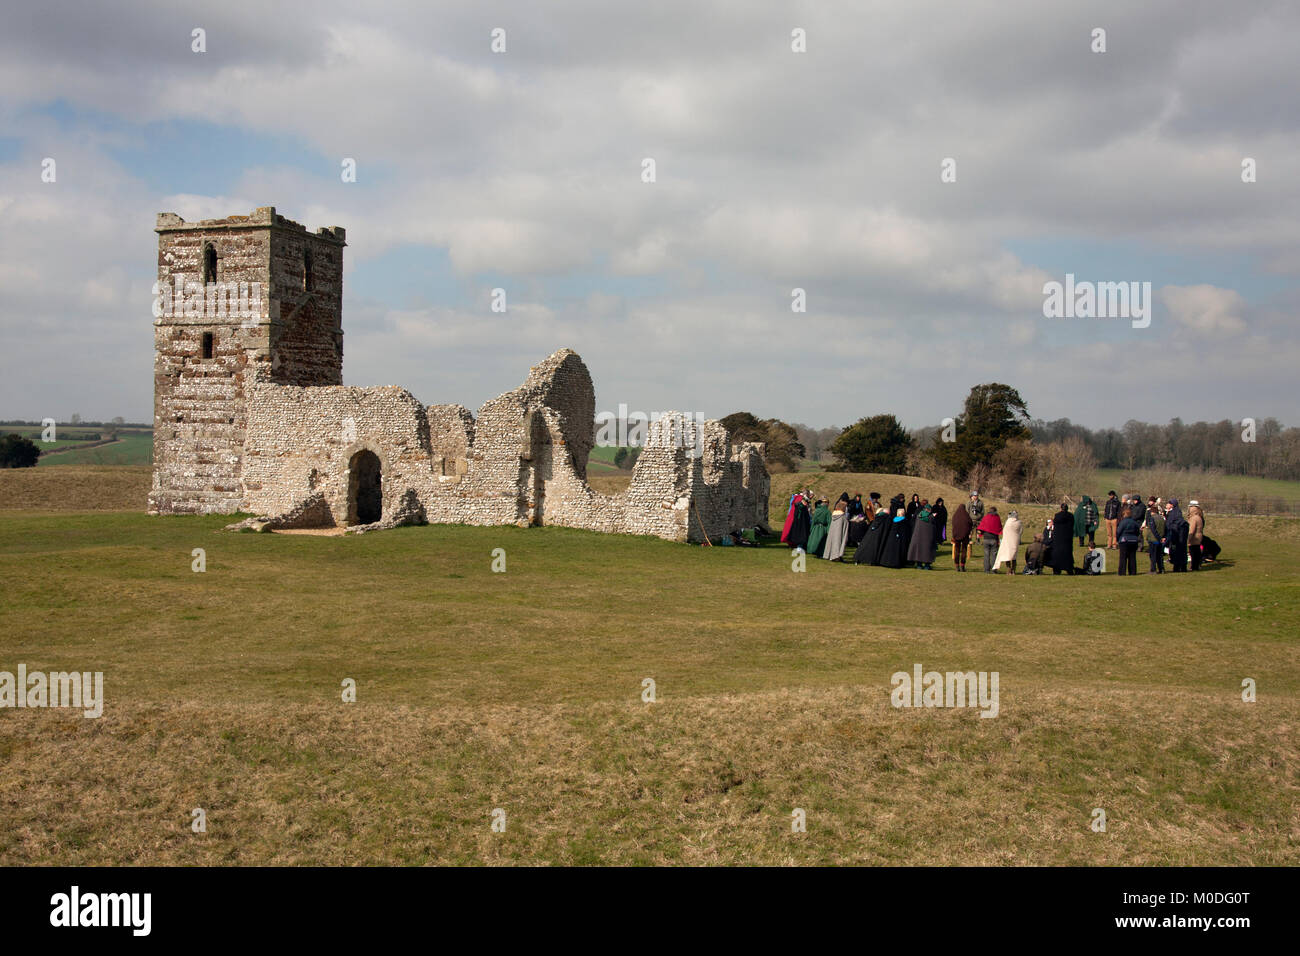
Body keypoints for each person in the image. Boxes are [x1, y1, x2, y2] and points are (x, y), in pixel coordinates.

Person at [906, 499, 937, 569]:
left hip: (918, 536)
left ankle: (919, 565)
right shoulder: (931, 517)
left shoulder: (919, 516)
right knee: (927, 550)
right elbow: (934, 526)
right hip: (928, 537)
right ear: (929, 509)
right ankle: (927, 565)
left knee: (919, 550)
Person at [1050, 502, 1075, 575]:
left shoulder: (1057, 516)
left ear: (1061, 508)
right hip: (1067, 538)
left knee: (1057, 554)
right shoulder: (1071, 516)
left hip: (1058, 538)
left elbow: (1055, 525)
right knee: (1068, 554)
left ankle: (1057, 570)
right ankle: (1069, 569)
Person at [1116, 505, 1141, 576]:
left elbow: (1118, 532)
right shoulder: (1134, 522)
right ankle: (1133, 572)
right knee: (1132, 557)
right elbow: (1138, 531)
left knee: (1123, 557)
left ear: (1124, 515)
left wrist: (1118, 539)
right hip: (1133, 540)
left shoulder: (1123, 522)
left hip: (1124, 540)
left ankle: (1122, 572)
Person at [995, 509, 1022, 575]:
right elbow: (1021, 531)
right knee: (1014, 557)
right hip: (1015, 541)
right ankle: (1013, 570)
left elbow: (1005, 531)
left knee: (1007, 555)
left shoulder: (1008, 522)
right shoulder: (1019, 522)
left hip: (1008, 541)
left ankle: (1009, 570)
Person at [823, 496, 850, 561]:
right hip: (839, 534)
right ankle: (836, 556)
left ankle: (830, 555)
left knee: (832, 541)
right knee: (838, 541)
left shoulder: (834, 516)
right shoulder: (843, 518)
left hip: (833, 533)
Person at [977, 507, 1003, 573]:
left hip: (986, 538)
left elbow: (981, 527)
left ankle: (986, 569)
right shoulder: (997, 518)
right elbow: (999, 527)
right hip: (994, 539)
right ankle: (993, 569)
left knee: (986, 554)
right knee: (994, 555)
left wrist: (980, 533)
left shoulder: (986, 517)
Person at [1164, 499, 1188, 571]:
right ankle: (1183, 567)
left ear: (1172, 504)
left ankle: (1177, 567)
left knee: (1176, 550)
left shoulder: (1173, 513)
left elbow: (1169, 524)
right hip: (1181, 534)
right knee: (1182, 550)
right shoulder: (1178, 512)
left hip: (1176, 533)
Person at [951, 503, 973, 572]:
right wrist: (969, 532)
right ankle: (962, 565)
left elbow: (953, 524)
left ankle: (957, 566)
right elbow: (970, 523)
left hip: (956, 535)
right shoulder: (966, 515)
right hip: (965, 536)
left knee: (957, 550)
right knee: (964, 550)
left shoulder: (955, 515)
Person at [1144, 504, 1165, 574]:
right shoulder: (1162, 518)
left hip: (1154, 539)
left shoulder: (1152, 518)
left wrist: (1158, 538)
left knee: (1153, 555)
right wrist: (1162, 538)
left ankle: (1153, 570)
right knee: (1160, 555)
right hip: (1161, 539)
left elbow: (1153, 530)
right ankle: (1161, 569)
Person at [1187, 503, 1205, 571]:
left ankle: (1194, 566)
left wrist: (1189, 538)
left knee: (1193, 553)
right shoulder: (1199, 517)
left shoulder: (1193, 518)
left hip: (1194, 538)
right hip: (1199, 536)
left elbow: (1192, 529)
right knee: (1197, 552)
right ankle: (1197, 565)